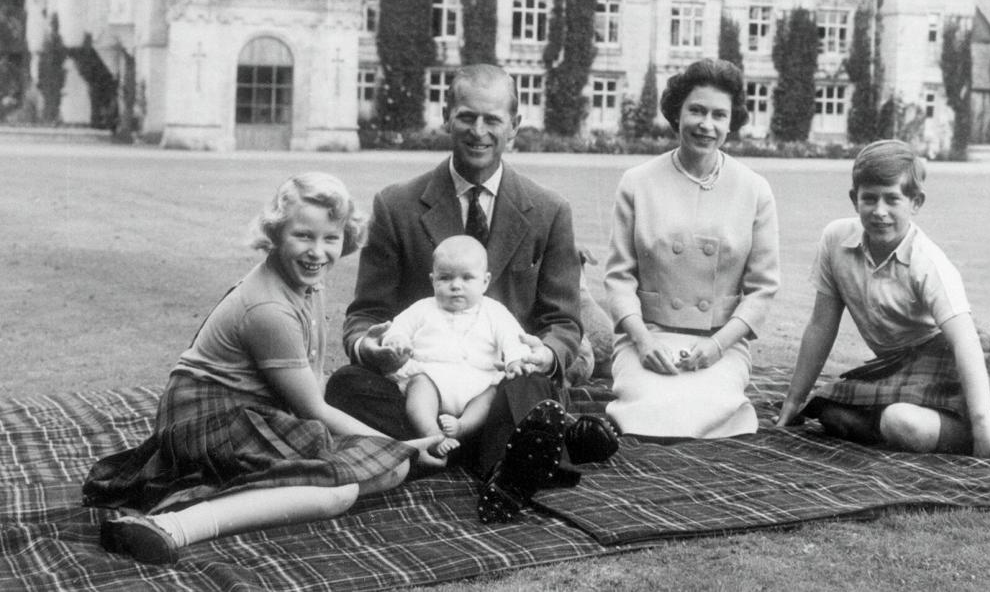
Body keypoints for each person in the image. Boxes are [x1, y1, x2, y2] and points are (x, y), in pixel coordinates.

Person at [83, 173, 446, 565]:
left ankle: (241, 490)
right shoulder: (268, 308)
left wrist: (388, 452)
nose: (317, 252)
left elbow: (313, 379)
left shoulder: (308, 283)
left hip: (252, 415)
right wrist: (401, 445)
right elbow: (314, 410)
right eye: (303, 236)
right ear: (275, 233)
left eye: (330, 238)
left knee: (386, 470)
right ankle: (173, 525)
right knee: (340, 490)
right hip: (207, 419)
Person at [324, 64, 619, 523]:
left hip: (502, 385)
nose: (478, 131)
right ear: (446, 117)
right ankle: (521, 453)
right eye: (466, 117)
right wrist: (372, 346)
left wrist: (545, 354)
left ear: (515, 127)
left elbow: (563, 322)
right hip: (417, 385)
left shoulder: (549, 210)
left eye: (492, 120)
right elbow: (365, 315)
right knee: (346, 386)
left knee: (535, 386)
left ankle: (461, 453)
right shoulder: (396, 205)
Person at [776, 139, 990, 464]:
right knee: (829, 411)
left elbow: (965, 342)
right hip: (896, 366)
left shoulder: (928, 263)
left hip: (950, 356)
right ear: (853, 199)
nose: (879, 211)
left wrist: (982, 425)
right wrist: (793, 400)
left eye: (892, 199)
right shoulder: (835, 240)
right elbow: (821, 325)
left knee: (900, 422)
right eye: (869, 199)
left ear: (916, 202)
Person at [604, 58, 780, 438]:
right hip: (649, 336)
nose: (706, 124)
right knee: (651, 409)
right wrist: (643, 340)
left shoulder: (754, 189)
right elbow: (619, 278)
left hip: (719, 342)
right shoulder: (637, 183)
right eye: (696, 110)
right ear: (676, 113)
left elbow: (763, 289)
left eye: (719, 114)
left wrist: (718, 346)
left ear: (732, 122)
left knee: (708, 412)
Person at [382, 235, 530, 458]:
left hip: (477, 380)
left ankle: (462, 427)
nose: (456, 286)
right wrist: (397, 340)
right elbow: (399, 327)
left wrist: (515, 359)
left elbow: (513, 337)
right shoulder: (423, 308)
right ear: (433, 280)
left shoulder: (494, 311)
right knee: (419, 388)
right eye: (445, 278)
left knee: (489, 396)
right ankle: (431, 434)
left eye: (467, 278)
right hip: (432, 376)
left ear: (485, 281)